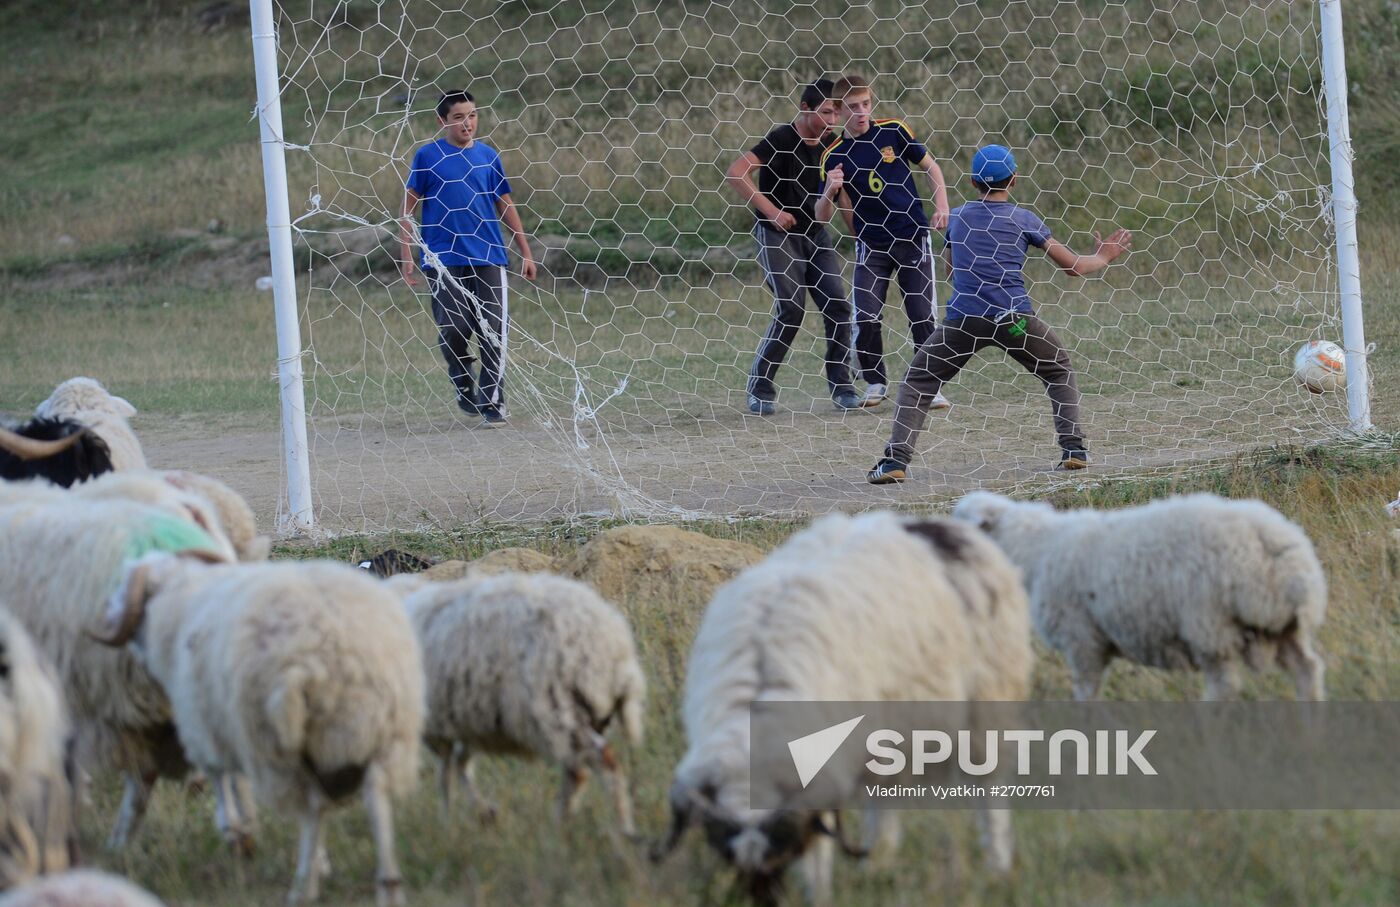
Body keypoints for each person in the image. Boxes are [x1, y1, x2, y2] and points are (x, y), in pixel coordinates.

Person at [866, 144, 1133, 484]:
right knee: (1058, 369)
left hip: (964, 322)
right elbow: (1074, 268)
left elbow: (949, 270)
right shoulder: (1024, 219)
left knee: (918, 382)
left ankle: (895, 461)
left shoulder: (959, 216)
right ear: (1015, 180)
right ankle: (1074, 451)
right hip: (1015, 320)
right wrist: (1105, 255)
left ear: (973, 181)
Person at [401, 89, 536, 427]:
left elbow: (505, 204)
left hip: (489, 255)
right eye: (459, 117)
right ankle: (463, 382)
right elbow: (407, 209)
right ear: (442, 121)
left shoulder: (489, 157)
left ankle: (493, 400)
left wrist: (526, 251)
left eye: (472, 115)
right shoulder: (428, 157)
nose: (467, 123)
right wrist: (406, 255)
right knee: (454, 328)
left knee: (494, 329)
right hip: (443, 259)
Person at [815, 74, 952, 410]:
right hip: (872, 245)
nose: (862, 112)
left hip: (912, 237)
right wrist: (830, 190)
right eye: (853, 107)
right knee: (866, 315)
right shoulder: (833, 155)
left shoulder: (894, 131)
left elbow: (931, 167)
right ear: (838, 110)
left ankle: (928, 386)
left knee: (922, 315)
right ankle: (875, 382)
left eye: (866, 104)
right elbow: (820, 217)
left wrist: (942, 205)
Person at [726, 79, 861, 415]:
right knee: (791, 308)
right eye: (826, 112)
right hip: (777, 236)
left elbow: (842, 195)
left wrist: (861, 234)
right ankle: (760, 387)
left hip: (816, 235)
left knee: (839, 308)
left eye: (836, 113)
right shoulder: (781, 138)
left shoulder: (833, 144)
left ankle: (843, 386)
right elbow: (736, 173)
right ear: (805, 108)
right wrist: (772, 212)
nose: (832, 120)